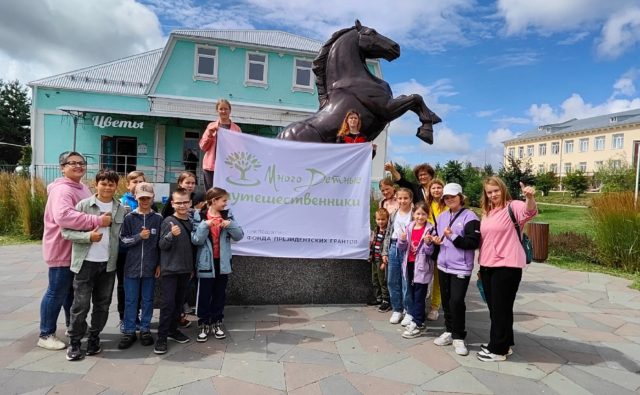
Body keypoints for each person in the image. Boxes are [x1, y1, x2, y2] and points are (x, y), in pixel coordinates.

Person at [39, 151, 111, 351]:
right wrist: (97, 221)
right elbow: (64, 217)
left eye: (82, 163)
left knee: (71, 292)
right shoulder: (62, 190)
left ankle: (75, 326)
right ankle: (46, 333)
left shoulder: (81, 188)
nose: (78, 166)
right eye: (72, 163)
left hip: (78, 251)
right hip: (61, 249)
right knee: (56, 291)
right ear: (62, 167)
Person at [62, 169, 126, 361]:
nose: (107, 187)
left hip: (108, 265)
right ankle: (75, 342)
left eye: (111, 184)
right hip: (85, 263)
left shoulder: (120, 208)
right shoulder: (83, 205)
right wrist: (88, 236)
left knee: (103, 305)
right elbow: (66, 232)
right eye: (103, 183)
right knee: (80, 305)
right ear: (96, 184)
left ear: (116, 186)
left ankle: (94, 339)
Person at [477, 177, 537, 362]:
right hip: (488, 265)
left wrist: (529, 197)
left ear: (502, 189)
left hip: (507, 265)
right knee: (496, 308)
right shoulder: (488, 212)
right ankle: (504, 342)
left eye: (496, 190)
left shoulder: (514, 206)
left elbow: (530, 211)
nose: (493, 194)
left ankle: (498, 350)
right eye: (489, 192)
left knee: (501, 308)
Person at [431, 183, 480, 356]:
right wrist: (434, 240)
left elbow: (472, 243)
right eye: (446, 197)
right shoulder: (443, 216)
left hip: (461, 267)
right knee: (446, 301)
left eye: (453, 196)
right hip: (443, 265)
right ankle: (449, 331)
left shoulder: (470, 216)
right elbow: (438, 237)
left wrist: (452, 236)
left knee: (457, 301)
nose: (449, 199)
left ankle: (459, 336)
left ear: (461, 197)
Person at [192, 187, 244, 342]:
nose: (225, 203)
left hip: (222, 262)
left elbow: (239, 236)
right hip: (205, 262)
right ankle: (203, 322)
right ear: (214, 200)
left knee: (219, 293)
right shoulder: (199, 215)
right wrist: (204, 225)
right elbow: (196, 240)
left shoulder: (228, 215)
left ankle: (217, 322)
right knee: (204, 294)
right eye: (223, 200)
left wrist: (229, 224)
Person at [117, 183, 163, 350]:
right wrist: (138, 237)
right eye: (141, 197)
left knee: (148, 300)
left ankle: (145, 329)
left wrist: (159, 264)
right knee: (131, 300)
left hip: (150, 268)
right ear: (136, 198)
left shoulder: (158, 218)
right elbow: (123, 240)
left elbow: (160, 244)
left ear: (152, 198)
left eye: (147, 198)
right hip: (131, 267)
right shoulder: (129, 218)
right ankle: (129, 330)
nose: (144, 200)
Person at [161, 171, 204, 328]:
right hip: (172, 257)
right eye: (187, 182)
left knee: (184, 288)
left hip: (189, 253)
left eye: (193, 182)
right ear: (180, 184)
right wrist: (170, 235)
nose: (190, 185)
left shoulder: (197, 199)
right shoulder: (171, 209)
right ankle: (168, 328)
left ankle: (179, 316)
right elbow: (164, 231)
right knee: (170, 298)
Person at [155, 188, 195, 354]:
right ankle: (161, 337)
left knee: (178, 303)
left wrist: (192, 267)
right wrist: (171, 235)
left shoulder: (192, 222)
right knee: (168, 304)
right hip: (170, 270)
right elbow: (162, 246)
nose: (182, 205)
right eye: (178, 202)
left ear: (190, 203)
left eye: (185, 202)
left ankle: (172, 330)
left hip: (185, 270)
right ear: (172, 204)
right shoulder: (168, 221)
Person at [396, 202, 435, 338]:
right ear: (413, 214)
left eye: (423, 214)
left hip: (422, 267)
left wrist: (428, 243)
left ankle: (418, 323)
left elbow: (430, 252)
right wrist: (401, 240)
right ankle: (415, 317)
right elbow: (402, 248)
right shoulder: (409, 227)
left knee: (420, 294)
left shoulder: (430, 229)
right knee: (411, 293)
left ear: (427, 215)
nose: (420, 216)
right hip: (410, 265)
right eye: (418, 213)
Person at [116, 170, 147, 329]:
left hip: (142, 253)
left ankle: (137, 314)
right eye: (134, 182)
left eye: (141, 182)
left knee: (141, 286)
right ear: (128, 185)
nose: (137, 185)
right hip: (125, 253)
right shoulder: (121, 203)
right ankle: (124, 317)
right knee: (123, 285)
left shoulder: (149, 202)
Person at [382, 187, 413, 325]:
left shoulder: (414, 214)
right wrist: (385, 251)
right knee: (392, 280)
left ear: (411, 199)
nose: (402, 201)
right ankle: (397, 309)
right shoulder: (394, 214)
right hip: (394, 246)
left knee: (406, 281)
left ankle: (408, 310)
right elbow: (388, 233)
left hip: (408, 248)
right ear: (396, 199)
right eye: (400, 198)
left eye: (405, 198)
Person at [199, 99, 242, 191]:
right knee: (211, 194)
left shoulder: (237, 129)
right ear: (217, 110)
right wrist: (210, 134)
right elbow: (203, 147)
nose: (223, 111)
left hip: (228, 168)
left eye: (226, 109)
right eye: (221, 109)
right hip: (211, 167)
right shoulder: (211, 126)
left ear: (230, 110)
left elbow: (239, 150)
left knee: (225, 194)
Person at [426, 179, 446, 321]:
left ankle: (434, 307)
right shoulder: (427, 205)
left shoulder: (448, 205)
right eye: (433, 188)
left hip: (443, 245)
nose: (436, 190)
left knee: (438, 279)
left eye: (439, 187)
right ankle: (422, 301)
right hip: (428, 244)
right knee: (424, 275)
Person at [369, 208, 390, 311]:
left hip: (382, 260)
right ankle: (378, 298)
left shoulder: (388, 232)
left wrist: (385, 262)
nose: (380, 222)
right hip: (374, 258)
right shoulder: (376, 230)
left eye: (383, 219)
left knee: (383, 281)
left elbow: (387, 247)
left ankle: (386, 300)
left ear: (387, 220)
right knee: (375, 279)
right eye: (378, 219)